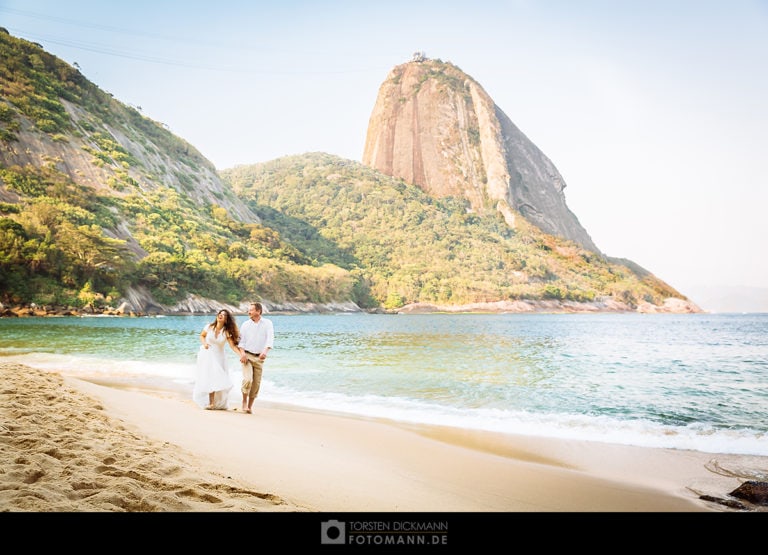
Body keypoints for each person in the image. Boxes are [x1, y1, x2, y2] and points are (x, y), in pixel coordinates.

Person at [193, 309, 241, 410]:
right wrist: (205, 343)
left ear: (226, 320)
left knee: (218, 380)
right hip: (208, 356)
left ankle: (218, 402)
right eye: (220, 314)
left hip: (220, 357)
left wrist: (241, 355)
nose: (220, 315)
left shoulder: (226, 332)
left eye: (224, 315)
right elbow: (202, 336)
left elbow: (233, 346)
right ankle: (211, 403)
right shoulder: (209, 327)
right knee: (210, 378)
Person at [237, 301, 274, 414]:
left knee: (256, 383)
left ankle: (249, 406)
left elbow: (270, 338)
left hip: (259, 358)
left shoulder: (267, 323)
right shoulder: (245, 324)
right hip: (247, 355)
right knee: (248, 379)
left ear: (258, 311)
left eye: (251, 310)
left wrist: (265, 351)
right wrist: (242, 353)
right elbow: (241, 342)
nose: (249, 311)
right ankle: (244, 402)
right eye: (249, 310)